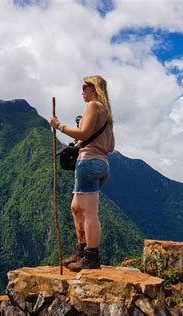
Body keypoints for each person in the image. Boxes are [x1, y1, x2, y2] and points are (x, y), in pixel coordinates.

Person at [50, 75, 115, 272]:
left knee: (89, 212)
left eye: (85, 87)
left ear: (94, 88)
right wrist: (82, 144)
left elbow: (84, 133)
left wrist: (59, 126)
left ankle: (91, 257)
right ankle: (82, 250)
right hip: (102, 164)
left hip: (89, 164)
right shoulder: (106, 114)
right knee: (76, 208)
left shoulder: (94, 106)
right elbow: (110, 145)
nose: (82, 91)